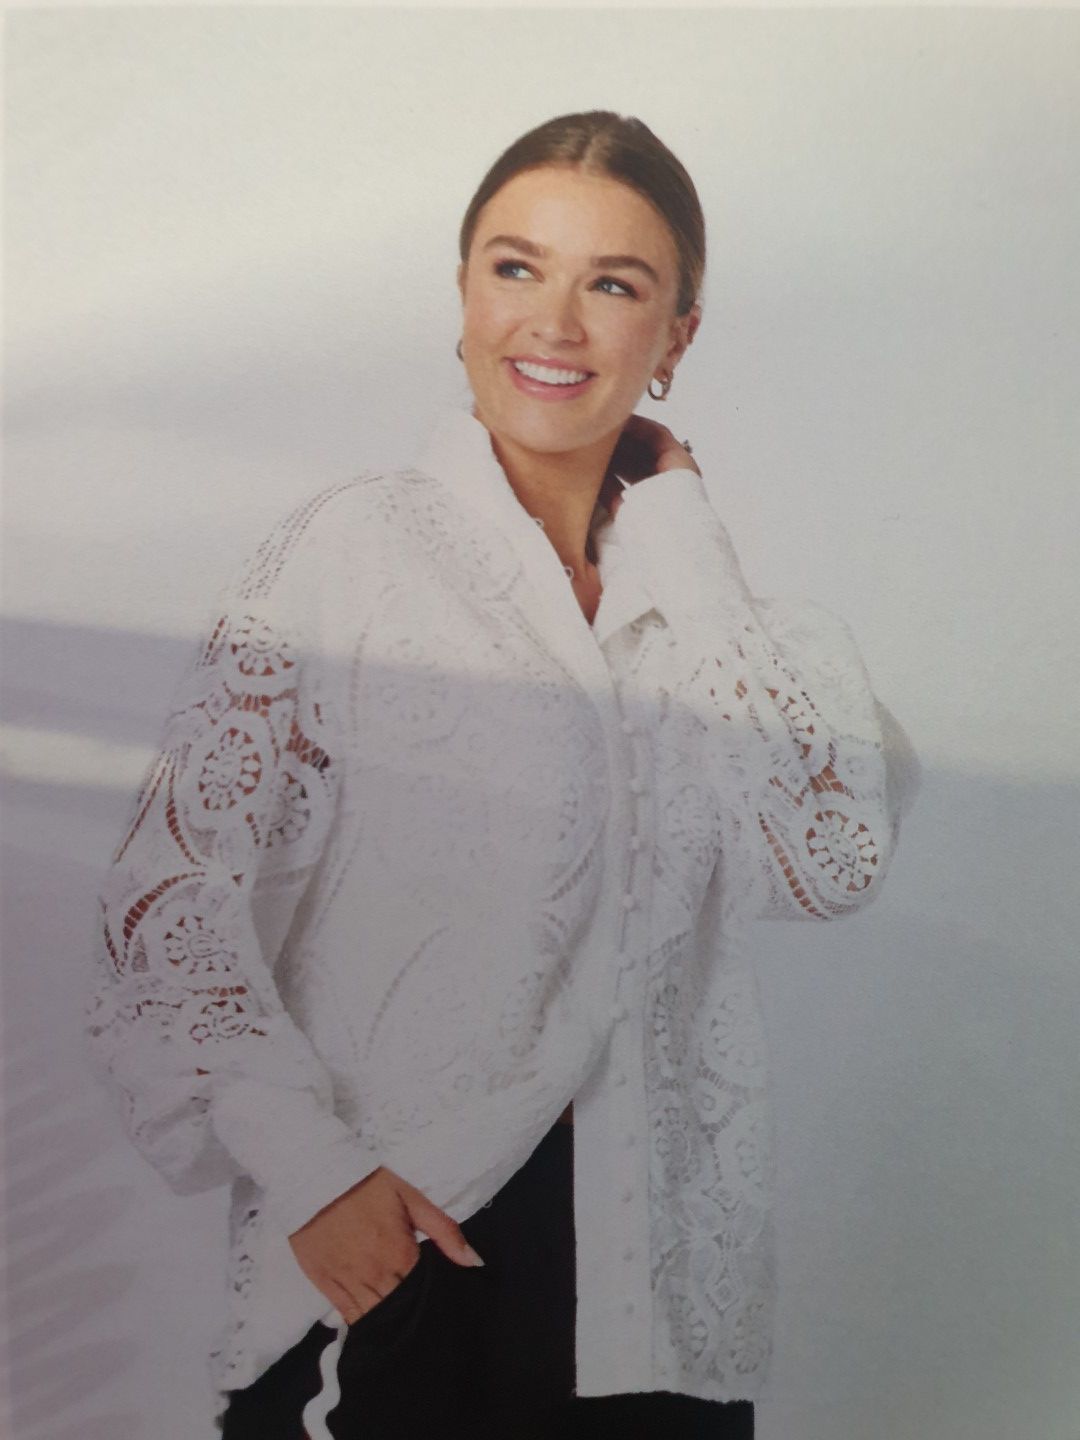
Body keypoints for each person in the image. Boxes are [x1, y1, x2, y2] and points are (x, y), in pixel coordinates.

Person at [86, 110, 919, 1439]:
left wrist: (682, 531)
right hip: (400, 1267)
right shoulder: (349, 555)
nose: (555, 323)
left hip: (658, 1316)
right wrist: (316, 1176)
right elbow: (167, 900)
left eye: (615, 285)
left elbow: (827, 866)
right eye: (517, 267)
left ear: (677, 338)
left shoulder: (743, 640)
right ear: (465, 295)